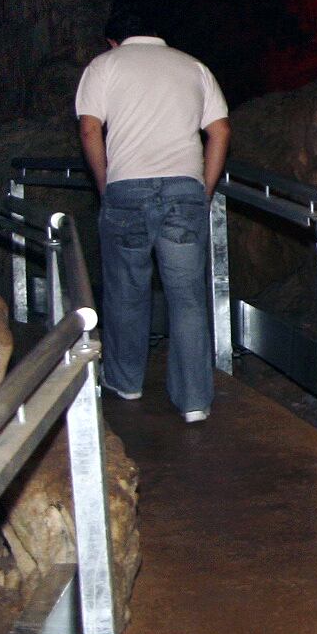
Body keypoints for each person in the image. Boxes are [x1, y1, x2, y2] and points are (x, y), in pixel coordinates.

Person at [74, 28, 230, 423]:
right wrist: (204, 190)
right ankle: (194, 399)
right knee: (188, 296)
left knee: (126, 289)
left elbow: (90, 128)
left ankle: (126, 382)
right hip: (185, 189)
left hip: (127, 186)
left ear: (114, 40)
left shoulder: (104, 66)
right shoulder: (193, 66)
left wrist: (105, 184)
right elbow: (220, 131)